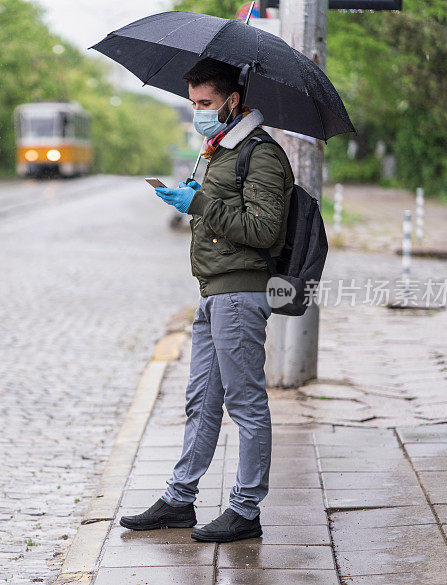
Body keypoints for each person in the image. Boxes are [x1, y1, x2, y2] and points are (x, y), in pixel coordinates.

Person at [120, 58, 294, 542]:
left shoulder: (259, 154)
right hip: (214, 292)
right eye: (192, 103)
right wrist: (197, 195)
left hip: (241, 292)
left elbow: (264, 231)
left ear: (233, 101)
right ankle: (179, 500)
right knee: (202, 400)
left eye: (205, 103)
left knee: (245, 403)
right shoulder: (219, 149)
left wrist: (198, 204)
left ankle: (245, 509)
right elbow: (224, 213)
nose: (197, 111)